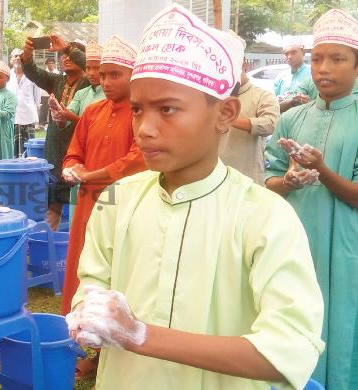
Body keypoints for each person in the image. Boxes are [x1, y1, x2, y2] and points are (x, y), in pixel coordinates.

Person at [67, 5, 324, 390]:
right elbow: (92, 284)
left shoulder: (266, 216)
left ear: (225, 114)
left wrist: (140, 334)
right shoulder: (117, 199)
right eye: (138, 110)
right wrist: (89, 314)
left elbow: (290, 348)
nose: (145, 129)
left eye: (167, 109)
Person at [265, 9, 358, 388]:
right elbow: (268, 182)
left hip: (346, 246)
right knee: (294, 312)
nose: (324, 68)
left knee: (342, 317)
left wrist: (322, 168)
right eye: (318, 58)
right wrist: (289, 180)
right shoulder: (292, 118)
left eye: (338, 59)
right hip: (295, 240)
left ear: (355, 66)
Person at [59, 34, 147, 380]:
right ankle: (83, 341)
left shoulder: (140, 113)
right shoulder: (92, 111)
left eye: (115, 75)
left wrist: (94, 174)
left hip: (125, 202)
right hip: (88, 203)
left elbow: (137, 159)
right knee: (85, 267)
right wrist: (72, 166)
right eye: (104, 74)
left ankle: (111, 347)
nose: (107, 82)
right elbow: (74, 150)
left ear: (132, 76)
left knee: (118, 269)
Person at [20, 35, 90, 230]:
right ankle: (52, 243)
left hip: (79, 151)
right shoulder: (57, 82)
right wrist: (27, 53)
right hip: (55, 150)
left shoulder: (91, 84)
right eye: (64, 56)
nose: (65, 58)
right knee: (54, 202)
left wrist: (66, 47)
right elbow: (32, 71)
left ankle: (77, 244)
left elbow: (94, 66)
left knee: (82, 200)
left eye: (72, 56)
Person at [219, 31, 280, 185]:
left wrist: (229, 119)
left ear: (243, 65)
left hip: (247, 178)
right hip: (214, 179)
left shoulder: (262, 96)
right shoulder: (211, 97)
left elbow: (270, 124)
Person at [55, 40, 106, 126]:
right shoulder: (81, 94)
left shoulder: (111, 94)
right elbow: (66, 118)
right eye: (88, 68)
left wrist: (74, 118)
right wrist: (61, 115)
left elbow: (99, 127)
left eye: (97, 68)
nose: (91, 73)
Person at [7, 48, 42, 157]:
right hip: (11, 118)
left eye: (20, 56)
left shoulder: (31, 75)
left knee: (28, 150)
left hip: (28, 118)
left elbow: (37, 98)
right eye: (15, 56)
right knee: (13, 149)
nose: (17, 58)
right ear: (11, 60)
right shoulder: (7, 75)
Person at [274, 38, 312, 113]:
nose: (289, 57)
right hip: (283, 121)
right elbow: (272, 104)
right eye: (286, 54)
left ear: (303, 53)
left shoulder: (313, 74)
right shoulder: (281, 77)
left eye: (293, 53)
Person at [0, 62, 17, 160]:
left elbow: (8, 114)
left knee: (4, 157)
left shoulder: (11, 96)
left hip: (4, 131)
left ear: (8, 78)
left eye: (0, 77)